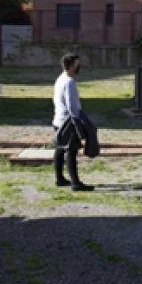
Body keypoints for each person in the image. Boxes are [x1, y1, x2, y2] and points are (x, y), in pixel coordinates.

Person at [51, 54, 93, 191]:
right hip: (68, 122)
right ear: (74, 64)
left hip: (58, 120)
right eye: (78, 63)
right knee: (71, 151)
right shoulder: (69, 81)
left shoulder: (60, 78)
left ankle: (59, 179)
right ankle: (75, 183)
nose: (79, 66)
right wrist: (79, 123)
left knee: (60, 149)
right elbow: (72, 106)